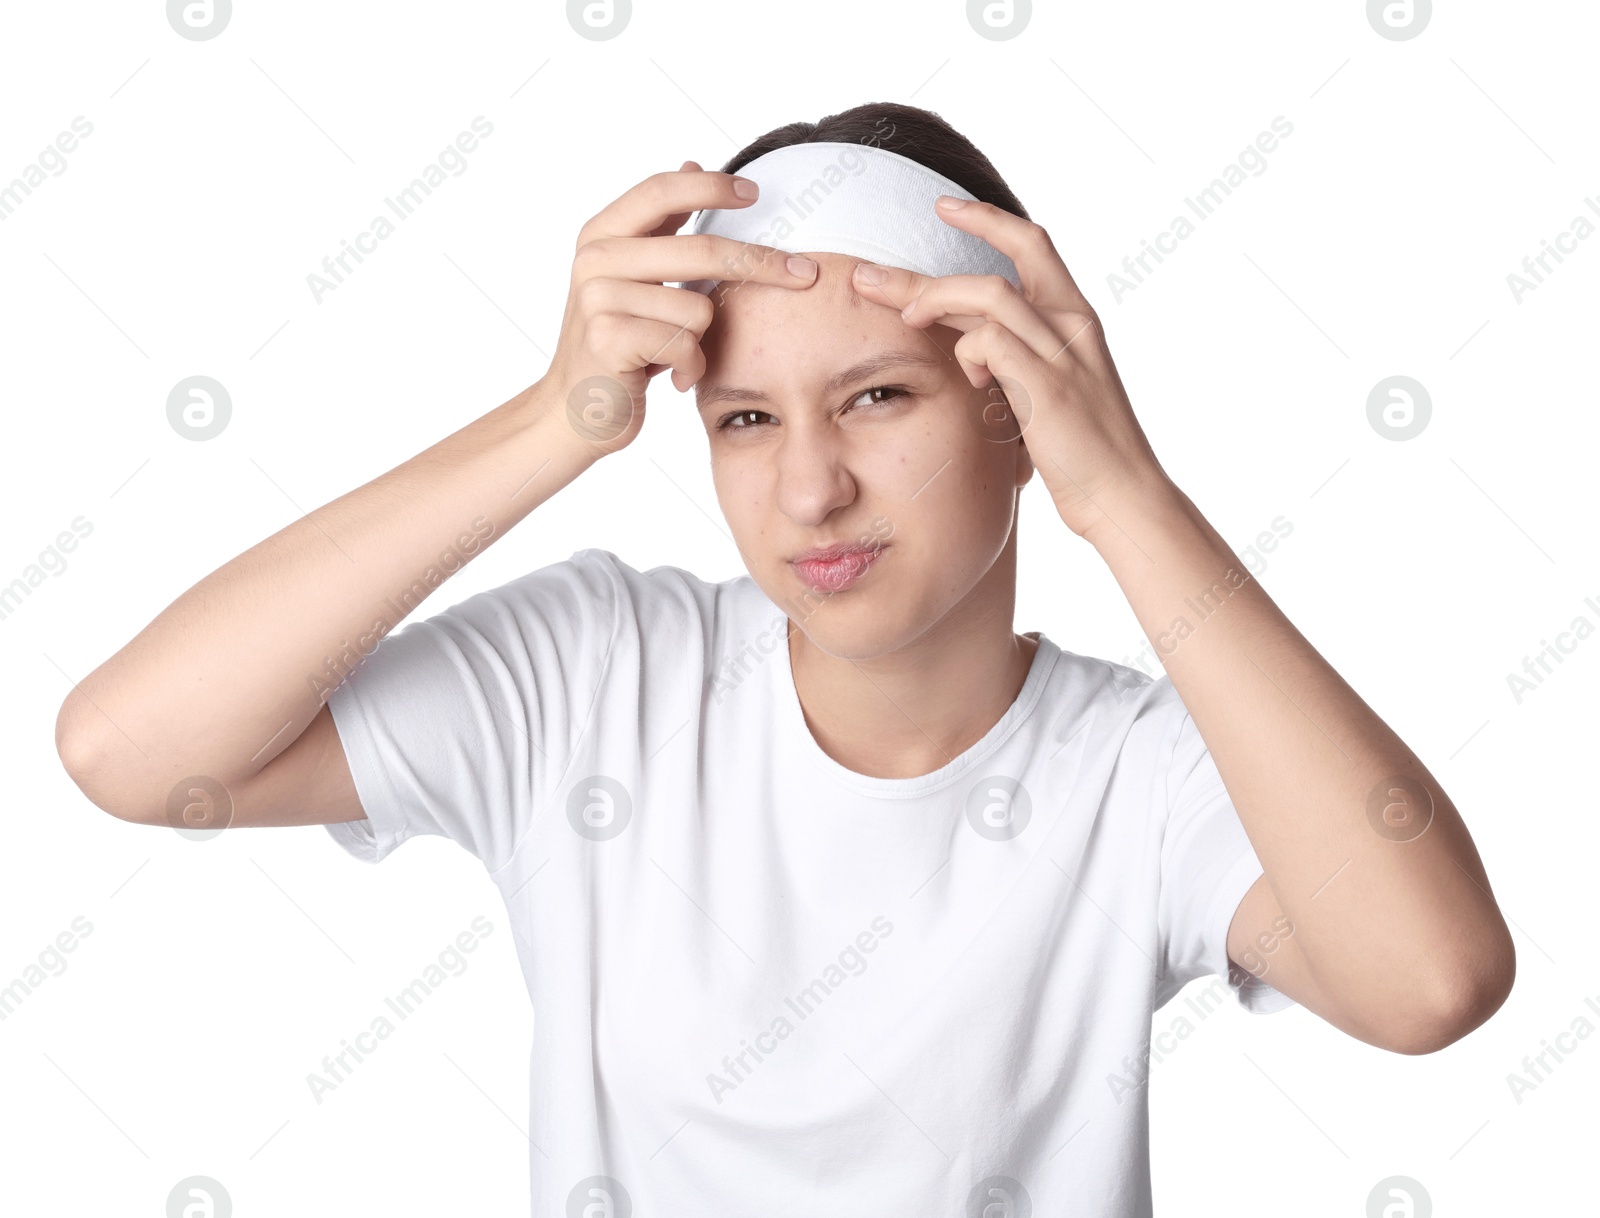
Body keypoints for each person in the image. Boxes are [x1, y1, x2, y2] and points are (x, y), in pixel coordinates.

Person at [55, 101, 1515, 1216]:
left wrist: (1124, 492)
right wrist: (551, 417)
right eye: (746, 418)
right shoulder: (600, 678)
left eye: (876, 396)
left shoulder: (1143, 771)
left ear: (1013, 403)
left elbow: (1431, 979)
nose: (809, 490)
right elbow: (132, 749)